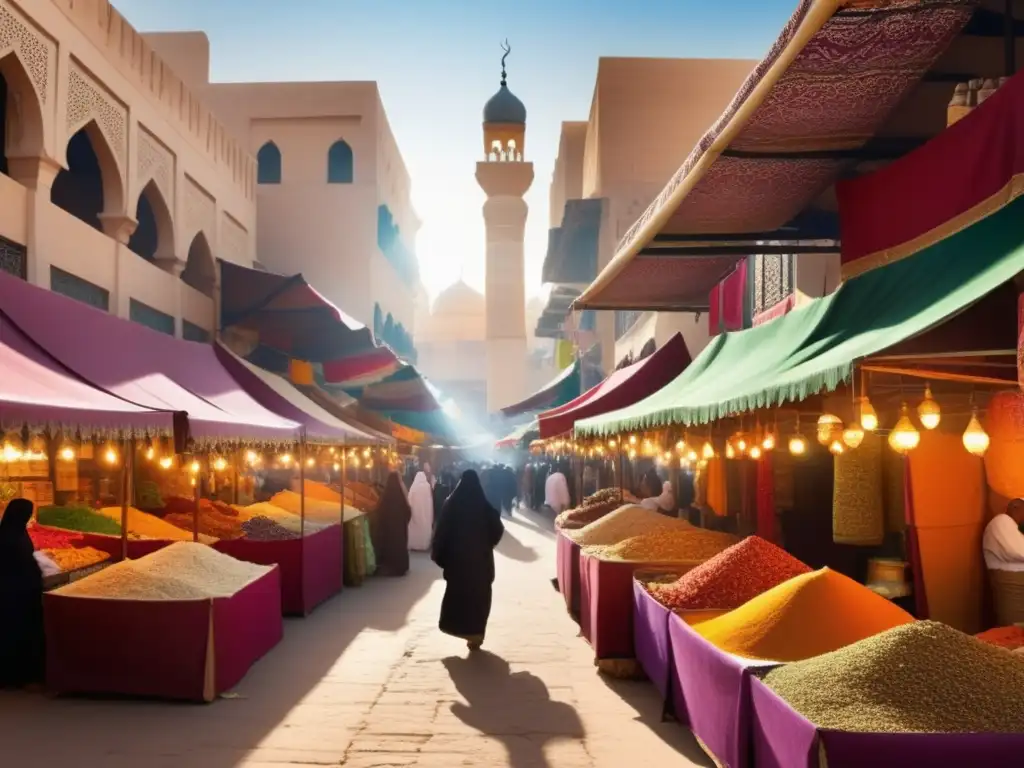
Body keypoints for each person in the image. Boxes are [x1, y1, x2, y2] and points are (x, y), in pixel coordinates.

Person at [431, 470, 504, 650]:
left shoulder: (451, 503)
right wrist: (488, 543)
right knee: (479, 599)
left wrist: (442, 556)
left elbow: (441, 532)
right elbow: (498, 528)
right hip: (480, 563)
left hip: (458, 564)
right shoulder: (483, 505)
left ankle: (459, 629)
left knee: (459, 597)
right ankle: (475, 636)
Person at [0, 499, 45, 687]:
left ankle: (25, 673)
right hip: (12, 592)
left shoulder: (18, 531)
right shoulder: (7, 537)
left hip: (25, 589)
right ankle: (12, 675)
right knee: (14, 631)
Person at [369, 472, 412, 576]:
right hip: (400, 529)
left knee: (389, 546)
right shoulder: (401, 496)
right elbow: (408, 511)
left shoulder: (385, 497)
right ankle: (401, 567)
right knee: (399, 546)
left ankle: (389, 566)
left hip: (388, 530)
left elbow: (379, 512)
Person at [983, 498, 1024, 571]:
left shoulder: (1014, 525)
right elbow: (1018, 552)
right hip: (1012, 578)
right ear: (1015, 507)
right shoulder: (1002, 520)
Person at [407, 471, 434, 551]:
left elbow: (409, 499)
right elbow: (429, 500)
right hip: (425, 511)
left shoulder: (414, 487)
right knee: (424, 527)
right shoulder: (427, 486)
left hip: (415, 511)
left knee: (415, 528)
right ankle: (424, 544)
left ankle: (414, 544)